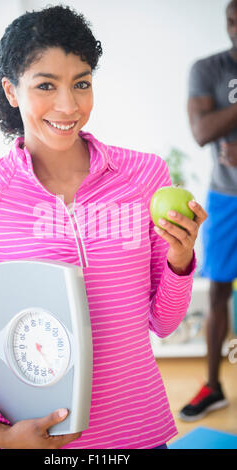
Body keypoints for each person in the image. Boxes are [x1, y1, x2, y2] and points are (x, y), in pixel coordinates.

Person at [0, 5, 207, 449]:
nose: (69, 105)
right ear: (11, 91)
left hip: (142, 430)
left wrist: (180, 260)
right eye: (46, 85)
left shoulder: (142, 176)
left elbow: (163, 322)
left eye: (81, 83)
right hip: (42, 438)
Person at [179, 0, 237, 422]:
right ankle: (213, 386)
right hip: (225, 197)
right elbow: (202, 132)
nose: (236, 29)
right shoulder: (208, 69)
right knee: (218, 289)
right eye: (231, 21)